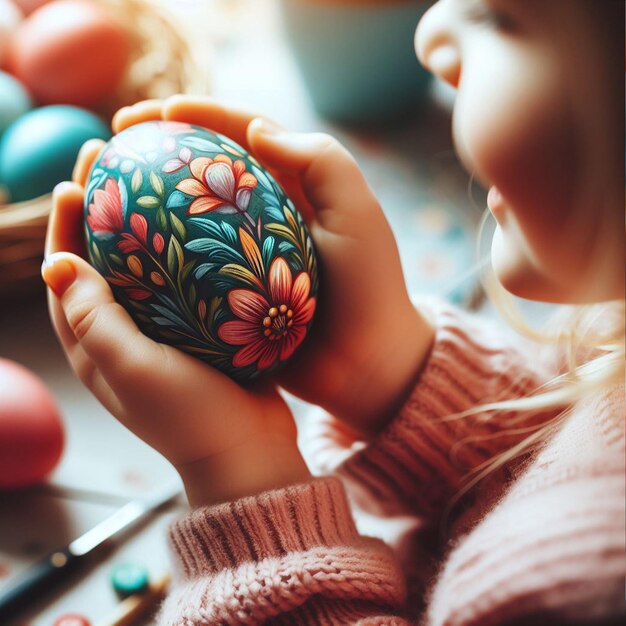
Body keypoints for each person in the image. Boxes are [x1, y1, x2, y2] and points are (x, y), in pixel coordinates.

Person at [41, 0, 624, 623]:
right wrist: (384, 372)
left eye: (506, 18)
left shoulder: (581, 595)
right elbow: (559, 469)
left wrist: (239, 476)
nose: (430, 36)